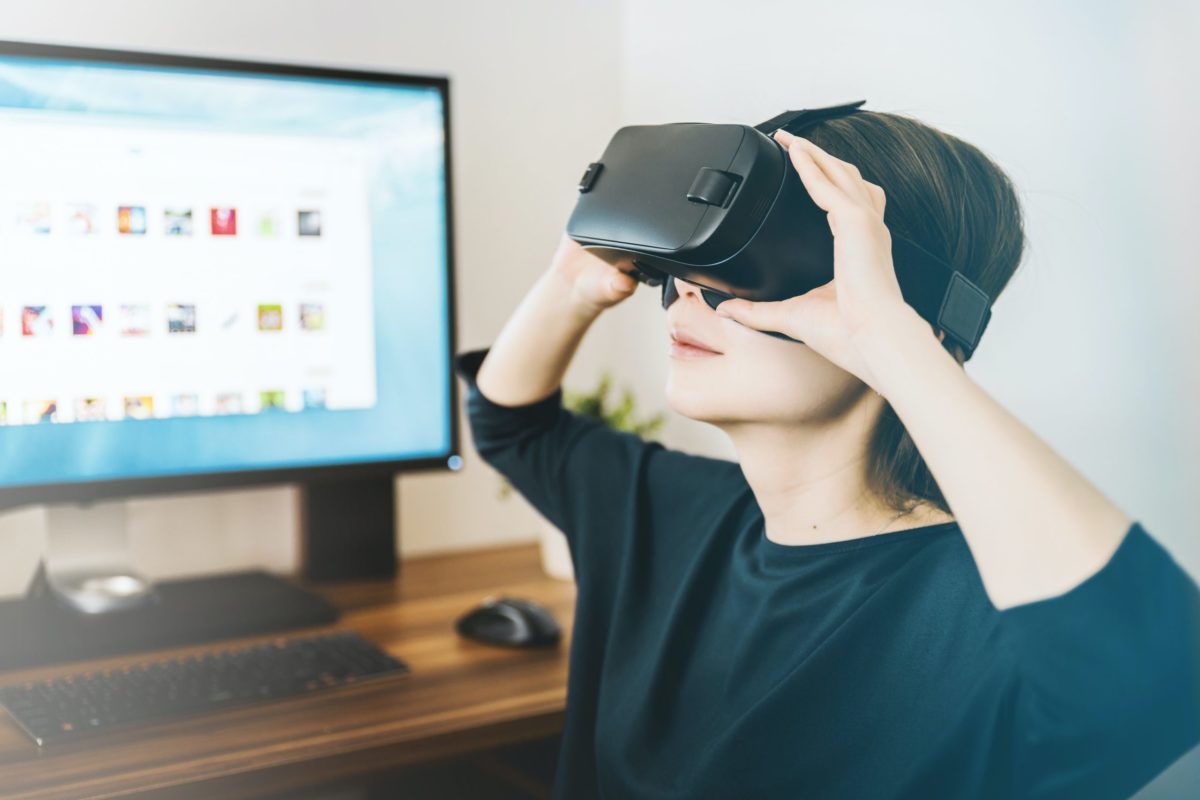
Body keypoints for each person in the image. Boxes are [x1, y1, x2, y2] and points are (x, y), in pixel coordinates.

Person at [453, 110, 1200, 799]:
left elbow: (1159, 680)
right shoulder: (669, 513)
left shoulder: (977, 618)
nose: (692, 292)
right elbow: (512, 426)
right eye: (695, 263)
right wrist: (572, 283)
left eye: (747, 265)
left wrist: (891, 339)